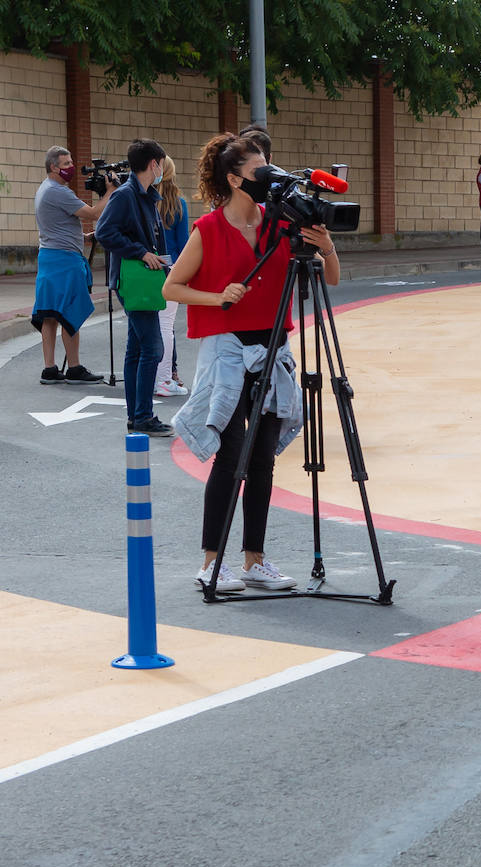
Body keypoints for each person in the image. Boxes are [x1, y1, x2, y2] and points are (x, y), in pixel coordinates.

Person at [164, 132, 340, 592]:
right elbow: (172, 288)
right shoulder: (209, 229)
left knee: (262, 459)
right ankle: (212, 561)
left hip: (273, 349)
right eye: (259, 171)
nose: (267, 178)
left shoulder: (280, 224)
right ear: (234, 178)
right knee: (231, 456)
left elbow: (333, 278)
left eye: (269, 168)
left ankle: (254, 561)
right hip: (227, 352)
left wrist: (327, 245)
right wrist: (218, 296)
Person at [96, 137, 171, 436]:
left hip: (140, 279)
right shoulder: (126, 195)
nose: (163, 168)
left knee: (137, 349)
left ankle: (136, 416)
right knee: (153, 349)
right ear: (153, 164)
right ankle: (142, 416)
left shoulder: (143, 194)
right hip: (134, 280)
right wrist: (141, 252)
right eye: (161, 163)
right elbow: (104, 231)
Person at [31, 145, 115, 385]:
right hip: (65, 261)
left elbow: (58, 225)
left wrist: (83, 237)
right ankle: (75, 368)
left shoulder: (45, 189)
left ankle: (49, 368)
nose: (71, 168)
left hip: (49, 257)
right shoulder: (58, 191)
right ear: (53, 167)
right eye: (66, 164)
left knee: (49, 314)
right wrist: (110, 192)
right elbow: (92, 213)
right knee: (69, 312)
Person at [154, 155, 191, 397]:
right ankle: (165, 378)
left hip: (147, 268)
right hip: (172, 270)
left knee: (149, 326)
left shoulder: (146, 201)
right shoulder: (178, 204)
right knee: (167, 327)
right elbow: (184, 243)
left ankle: (154, 376)